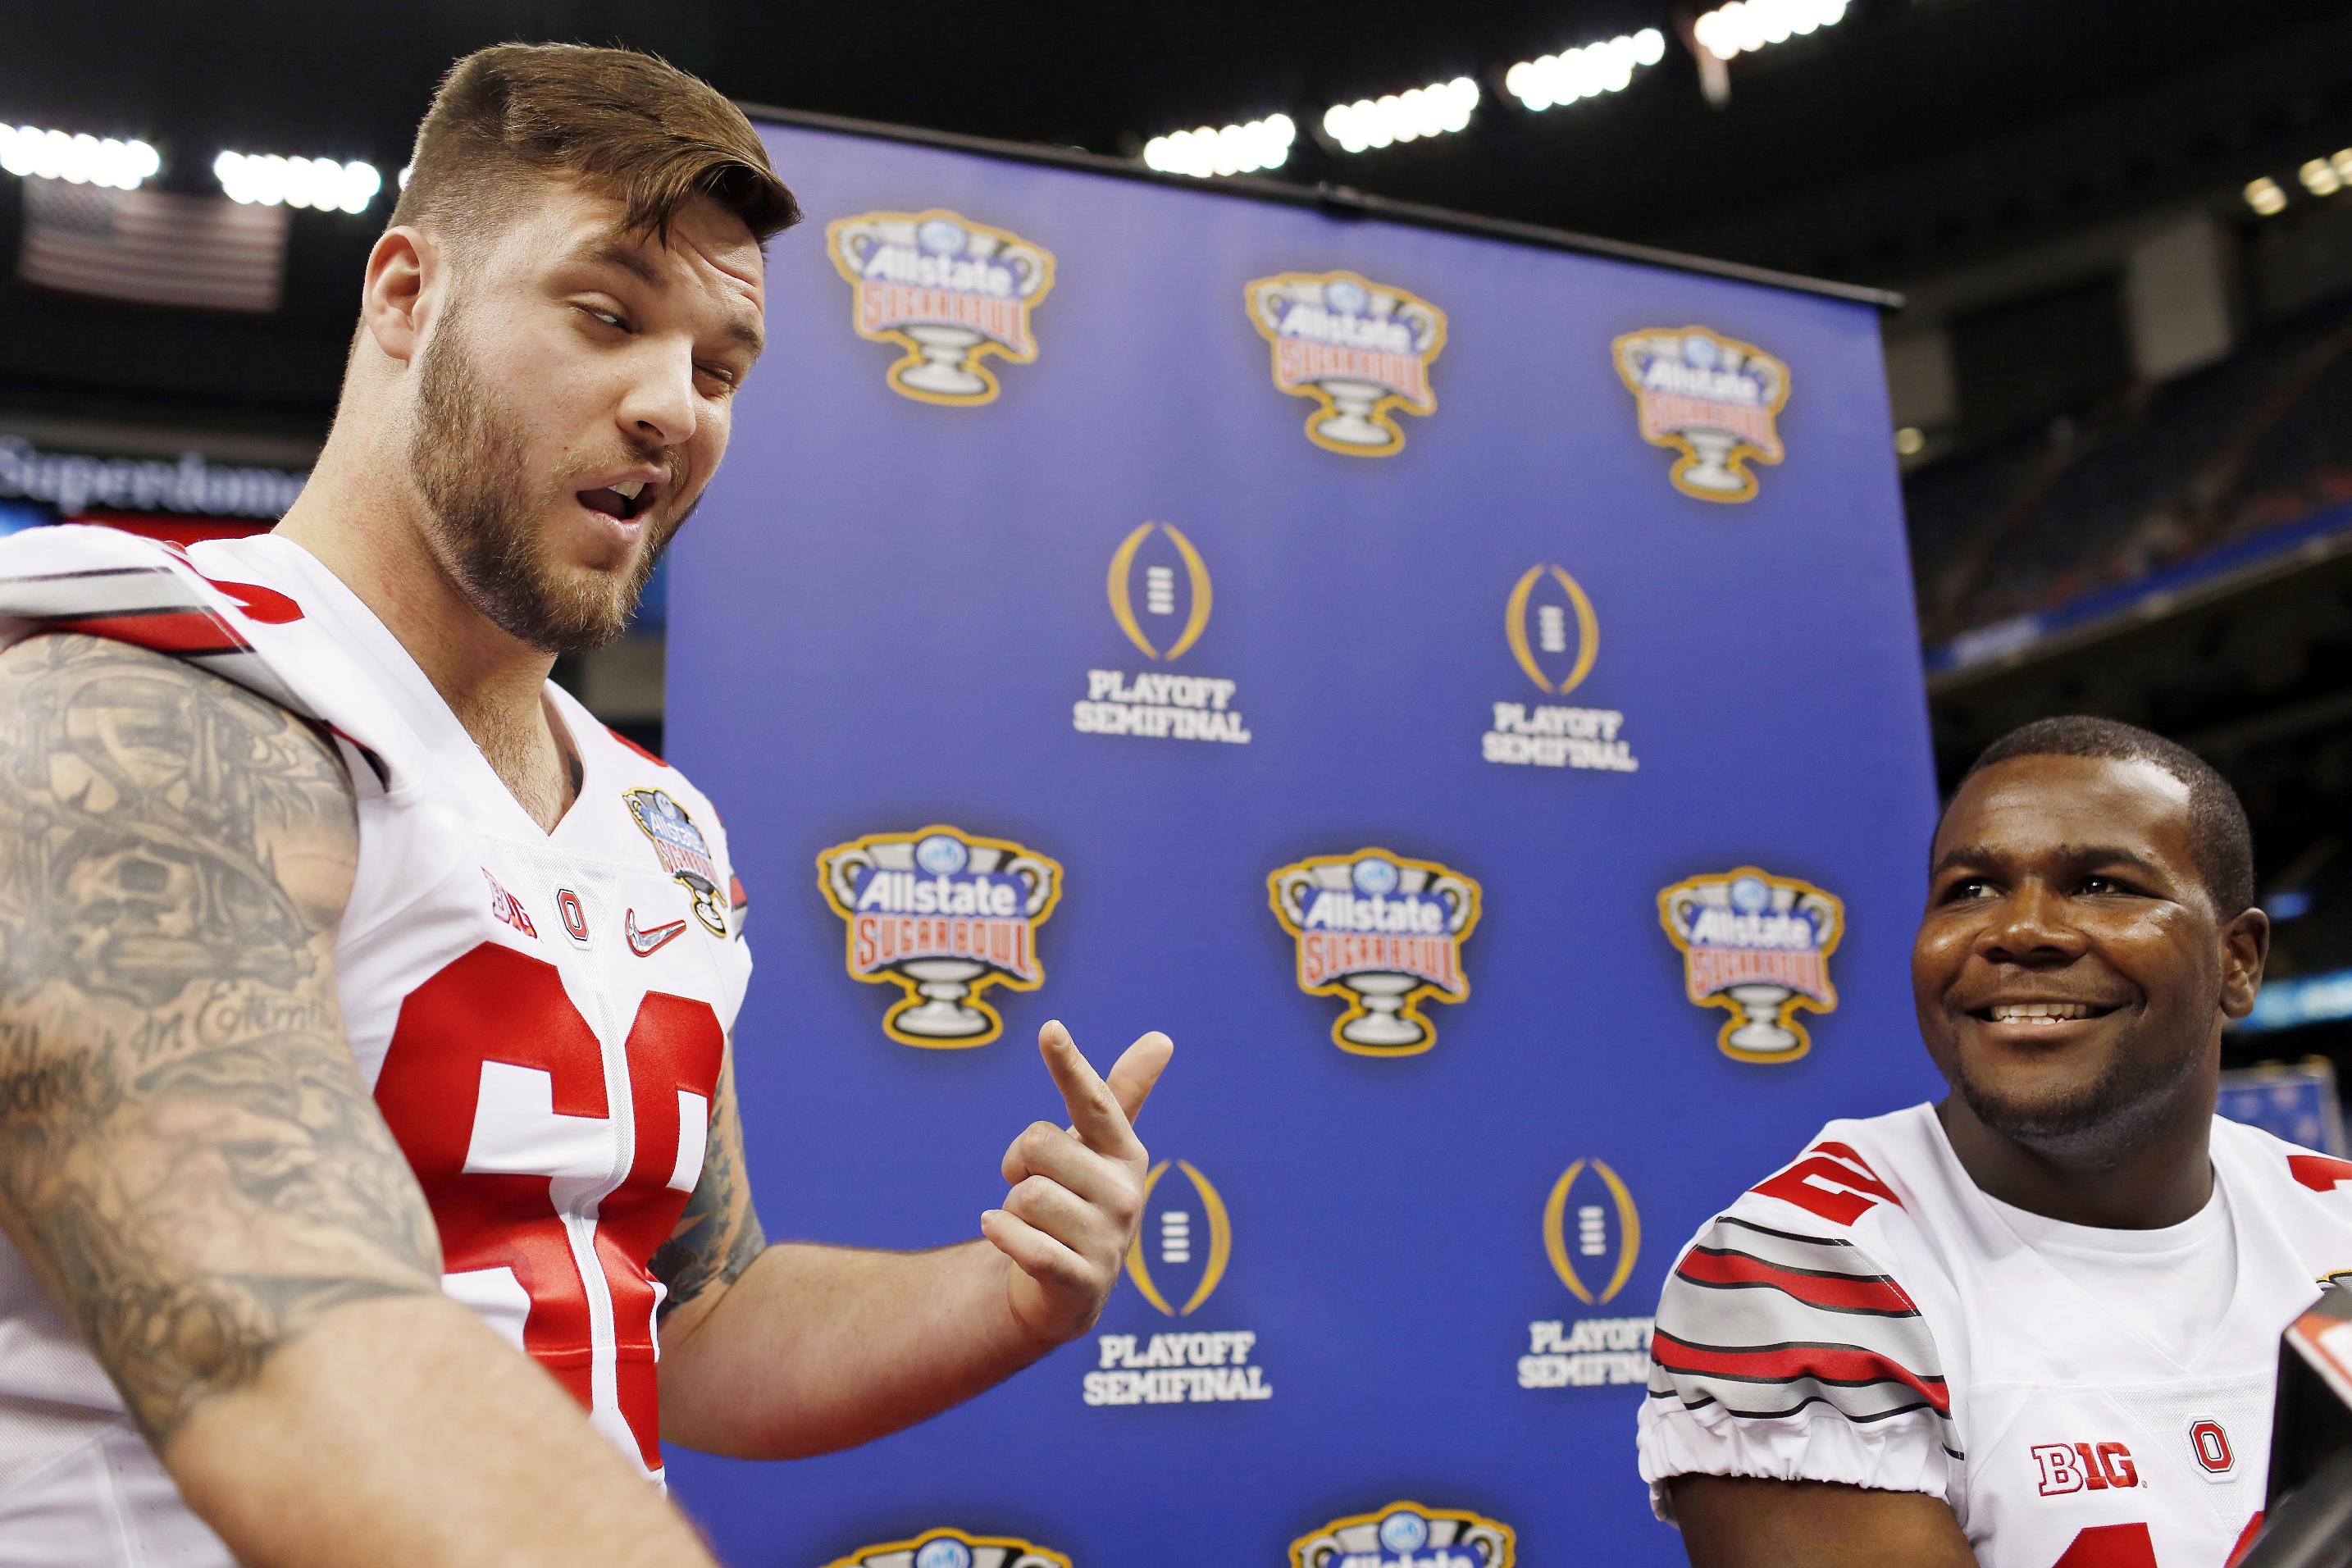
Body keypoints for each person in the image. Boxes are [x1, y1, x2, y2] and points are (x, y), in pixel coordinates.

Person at [0, 43, 1171, 1567]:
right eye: (606, 315)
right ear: (407, 297)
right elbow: (277, 1336)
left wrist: (1006, 1293)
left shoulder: (656, 824)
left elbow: (694, 1314)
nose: (671, 406)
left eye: (719, 365)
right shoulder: (146, 703)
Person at [1638, 716, 2352, 1567]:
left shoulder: (2336, 1216)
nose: (2019, 930)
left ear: (2238, 961)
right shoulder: (1797, 1269)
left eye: (2102, 883)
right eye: (1970, 888)